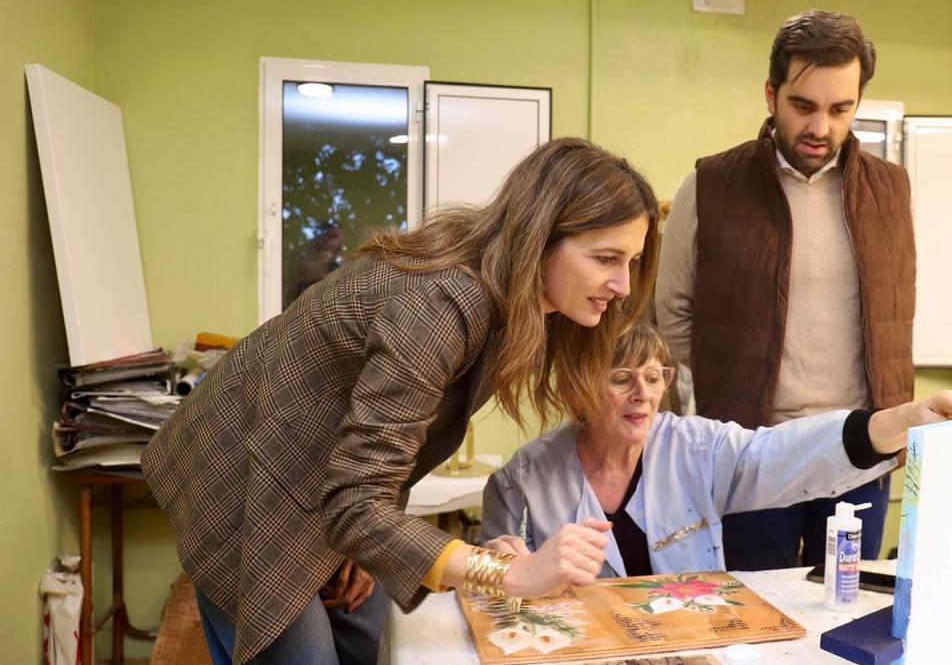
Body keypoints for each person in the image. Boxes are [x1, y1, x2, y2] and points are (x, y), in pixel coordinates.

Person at [142, 138, 662, 664]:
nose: (622, 284)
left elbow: (385, 446)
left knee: (374, 636)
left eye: (632, 262)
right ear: (539, 240)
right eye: (605, 259)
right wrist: (505, 573)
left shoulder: (511, 300)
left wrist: (373, 538)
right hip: (241, 479)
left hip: (323, 483)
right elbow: (354, 501)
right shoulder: (442, 303)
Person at [655, 10, 915, 570]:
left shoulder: (890, 190)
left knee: (842, 609)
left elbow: (896, 314)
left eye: (840, 109)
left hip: (860, 446)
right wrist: (729, 385)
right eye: (804, 106)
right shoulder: (711, 185)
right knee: (755, 613)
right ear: (771, 95)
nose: (821, 127)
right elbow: (672, 311)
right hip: (753, 451)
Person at [482, 324, 952, 576]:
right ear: (577, 386)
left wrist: (909, 418)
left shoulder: (694, 446)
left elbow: (786, 453)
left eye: (654, 377)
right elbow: (492, 579)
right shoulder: (523, 479)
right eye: (620, 379)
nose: (643, 393)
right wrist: (502, 565)